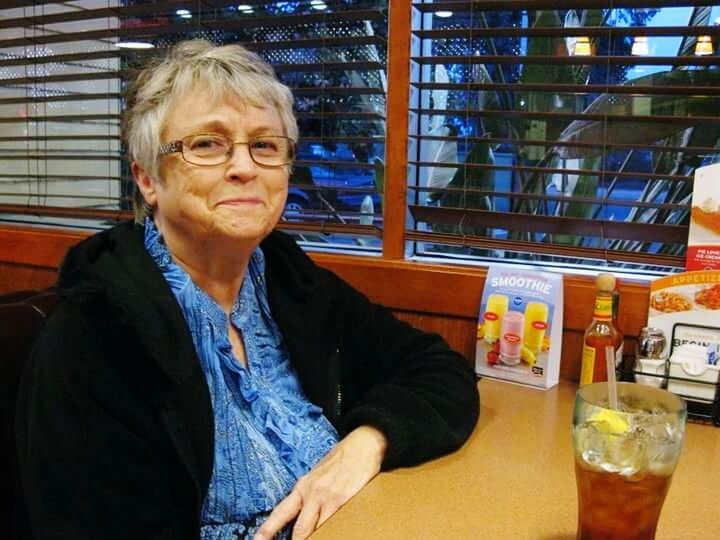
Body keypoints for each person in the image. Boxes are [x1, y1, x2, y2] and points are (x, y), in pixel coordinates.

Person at [16, 40, 479, 540]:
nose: (245, 167)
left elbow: (440, 370)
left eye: (265, 145)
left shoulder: (290, 281)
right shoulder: (93, 339)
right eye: (207, 144)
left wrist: (370, 440)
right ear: (147, 179)